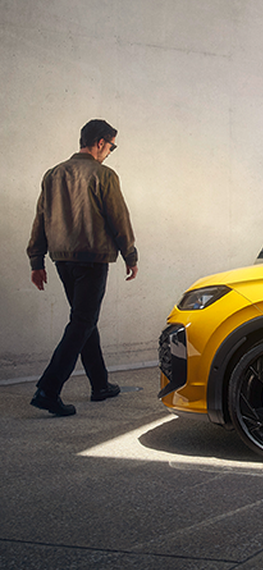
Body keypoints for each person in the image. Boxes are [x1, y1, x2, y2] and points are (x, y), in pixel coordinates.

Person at [27, 119, 139, 416]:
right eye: (111, 146)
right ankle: (48, 390)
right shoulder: (104, 175)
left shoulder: (53, 174)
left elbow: (40, 218)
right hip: (92, 259)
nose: (110, 152)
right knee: (82, 322)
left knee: (84, 320)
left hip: (61, 258)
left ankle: (100, 385)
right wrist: (131, 254)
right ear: (100, 142)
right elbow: (119, 219)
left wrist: (36, 261)